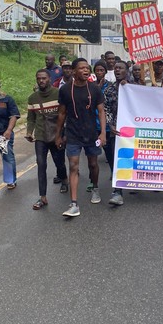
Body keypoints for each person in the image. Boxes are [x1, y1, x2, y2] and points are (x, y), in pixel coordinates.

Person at [55, 58, 107, 218]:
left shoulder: (94, 89)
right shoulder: (65, 90)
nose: (86, 71)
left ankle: (96, 187)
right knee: (73, 166)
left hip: (91, 133)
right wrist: (58, 135)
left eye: (87, 68)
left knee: (93, 164)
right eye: (82, 68)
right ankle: (74, 203)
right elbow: (62, 113)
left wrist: (103, 132)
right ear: (74, 70)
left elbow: (101, 112)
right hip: (72, 134)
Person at [26, 69, 68, 210]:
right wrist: (29, 132)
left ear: (49, 79)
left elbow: (65, 115)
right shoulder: (32, 98)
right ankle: (42, 197)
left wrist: (63, 135)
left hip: (56, 135)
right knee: (41, 164)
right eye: (39, 78)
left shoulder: (58, 93)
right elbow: (31, 118)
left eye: (44, 78)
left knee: (59, 162)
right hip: (41, 137)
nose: (41, 81)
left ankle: (64, 180)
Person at [103, 61, 130, 206]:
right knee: (116, 160)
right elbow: (106, 108)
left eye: (121, 68)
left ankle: (136, 183)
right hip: (116, 131)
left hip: (133, 130)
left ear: (127, 71)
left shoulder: (135, 88)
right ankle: (117, 191)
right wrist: (110, 124)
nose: (117, 70)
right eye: (116, 68)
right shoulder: (109, 90)